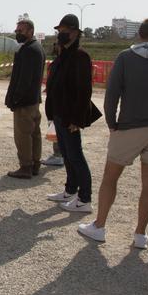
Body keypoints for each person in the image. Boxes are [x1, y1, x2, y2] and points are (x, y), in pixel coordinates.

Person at [78, 18, 148, 249]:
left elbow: (112, 94)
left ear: (140, 35)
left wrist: (112, 122)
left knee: (111, 177)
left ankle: (99, 226)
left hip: (129, 126)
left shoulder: (126, 58)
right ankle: (140, 234)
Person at [45, 14, 100, 211]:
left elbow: (84, 91)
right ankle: (70, 190)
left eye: (64, 31)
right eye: (59, 31)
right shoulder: (63, 55)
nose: (60, 34)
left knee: (76, 155)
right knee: (67, 154)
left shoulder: (81, 57)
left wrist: (77, 118)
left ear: (75, 33)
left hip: (71, 116)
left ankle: (84, 198)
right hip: (59, 113)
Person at [4, 18, 45, 178]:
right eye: (16, 30)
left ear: (30, 31)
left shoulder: (28, 50)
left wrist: (15, 99)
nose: (17, 33)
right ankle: (35, 164)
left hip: (25, 101)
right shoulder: (37, 48)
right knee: (34, 133)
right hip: (33, 99)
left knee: (23, 135)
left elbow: (24, 79)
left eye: (20, 31)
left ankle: (26, 167)